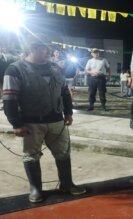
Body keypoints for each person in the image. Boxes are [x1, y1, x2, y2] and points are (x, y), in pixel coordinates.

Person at [2, 36, 86, 203]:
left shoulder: (55, 68)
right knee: (31, 155)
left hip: (57, 120)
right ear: (31, 49)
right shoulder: (15, 70)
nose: (48, 52)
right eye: (43, 49)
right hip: (31, 122)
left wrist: (68, 113)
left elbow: (64, 93)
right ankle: (35, 189)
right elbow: (9, 99)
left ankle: (67, 184)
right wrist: (16, 124)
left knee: (63, 153)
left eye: (48, 49)